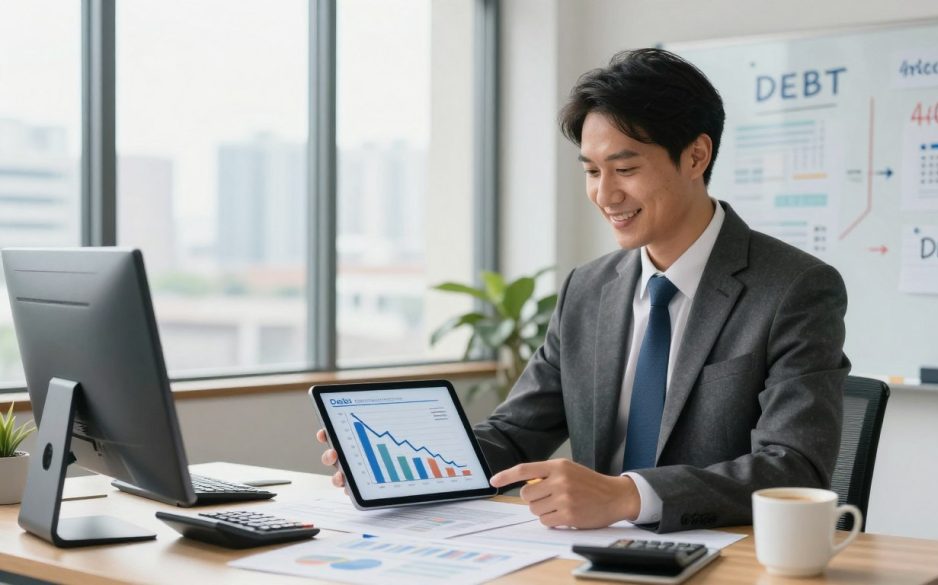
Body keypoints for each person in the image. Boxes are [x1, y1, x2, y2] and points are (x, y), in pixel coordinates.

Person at [318, 48, 850, 534]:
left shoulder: (794, 288)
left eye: (625, 169)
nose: (605, 194)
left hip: (721, 557)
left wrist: (627, 496)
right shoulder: (588, 288)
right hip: (588, 554)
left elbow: (793, 466)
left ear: (695, 157)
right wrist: (408, 461)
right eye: (592, 171)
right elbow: (516, 433)